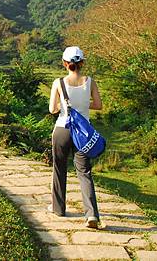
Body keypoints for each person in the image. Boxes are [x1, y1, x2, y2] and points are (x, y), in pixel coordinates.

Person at [49, 46, 103, 228]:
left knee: (59, 168)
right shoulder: (90, 82)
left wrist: (63, 108)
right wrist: (83, 109)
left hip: (62, 129)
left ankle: (58, 208)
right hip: (83, 133)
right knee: (84, 172)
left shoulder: (59, 83)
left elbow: (52, 109)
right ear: (82, 63)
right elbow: (98, 105)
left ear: (65, 63)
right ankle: (91, 215)